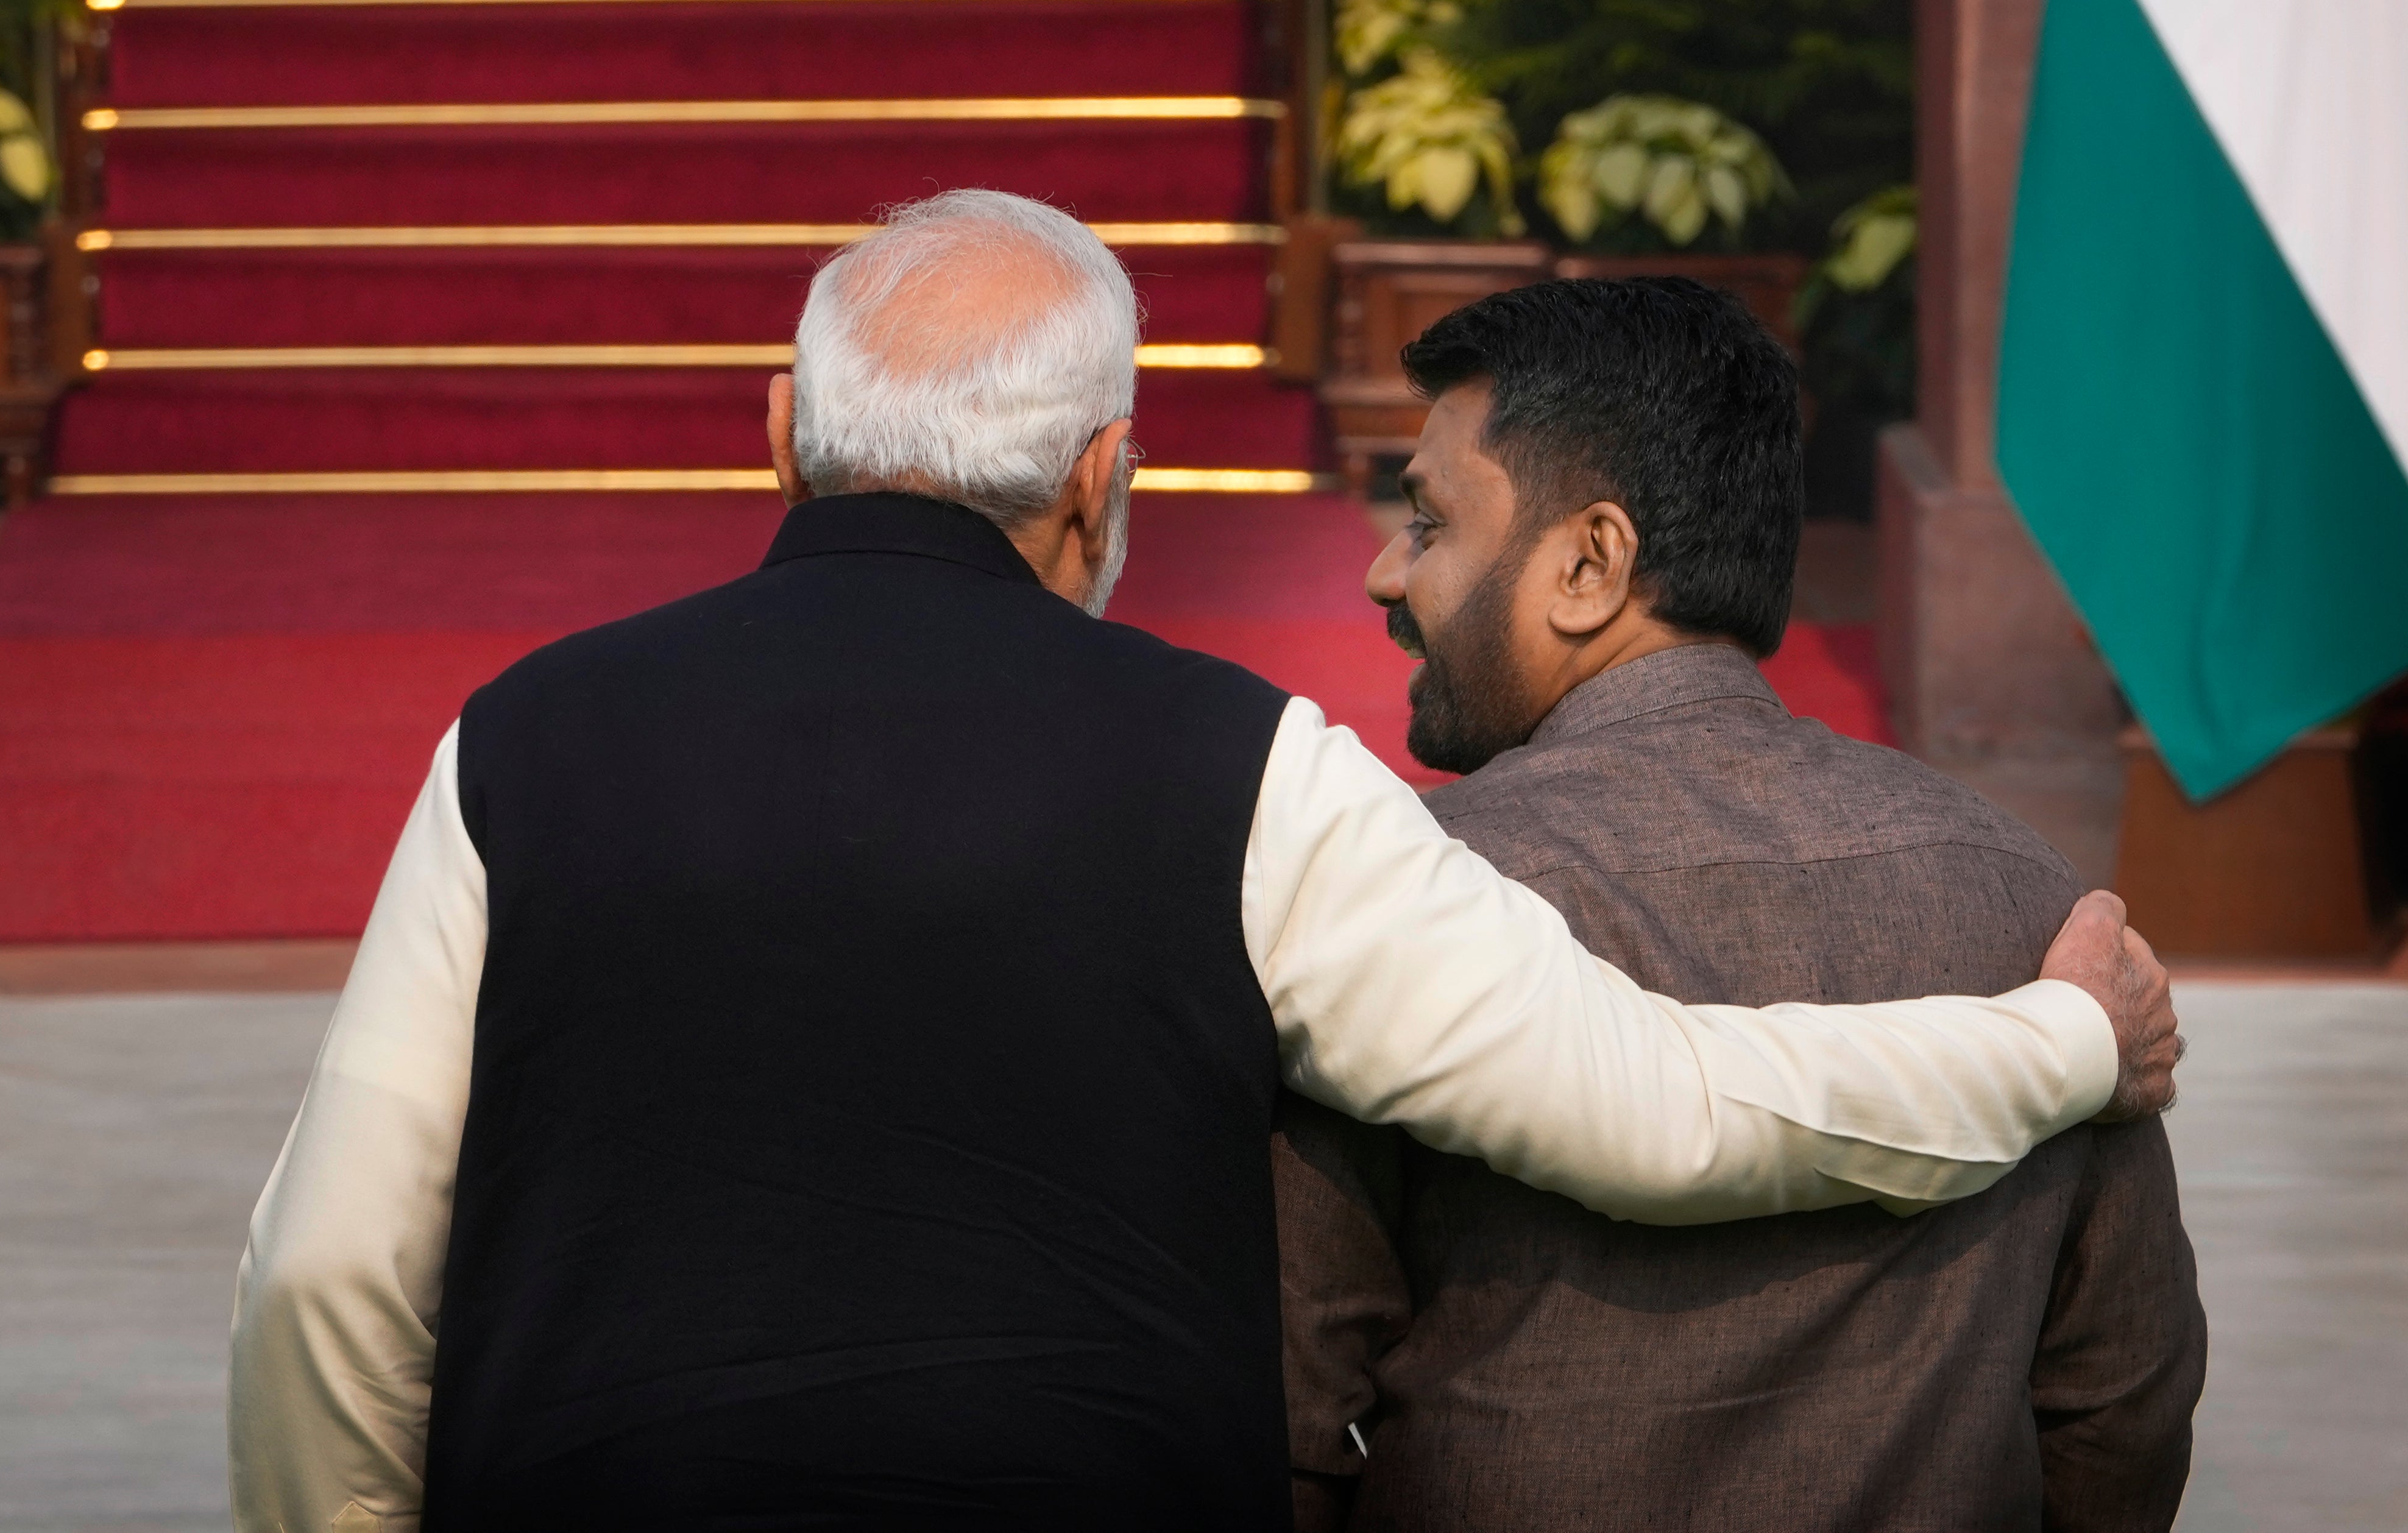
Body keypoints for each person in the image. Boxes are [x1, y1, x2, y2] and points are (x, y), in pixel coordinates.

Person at [227, 191, 2179, 1533]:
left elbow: (327, 1274)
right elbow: (1652, 1106)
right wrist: (2061, 1044)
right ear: (1099, 477)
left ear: (779, 434)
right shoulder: (1242, 769)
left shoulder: (522, 738)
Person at [1278, 275, 2205, 1532]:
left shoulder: (1406, 895)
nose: (1391, 575)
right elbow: (2121, 1399)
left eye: (1431, 523)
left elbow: (1284, 1402)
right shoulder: (2030, 905)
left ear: (1589, 563)